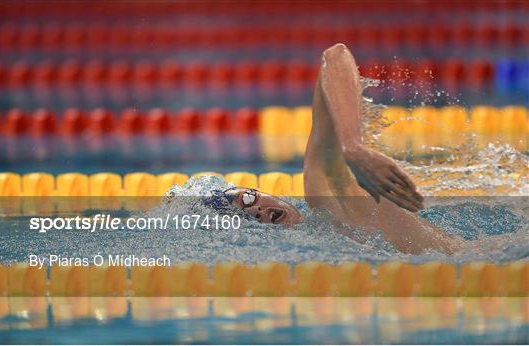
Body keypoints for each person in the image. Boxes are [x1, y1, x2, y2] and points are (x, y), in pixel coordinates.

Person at [197, 44, 461, 255]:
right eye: (245, 218)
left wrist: (353, 148)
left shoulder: (327, 199)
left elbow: (335, 56)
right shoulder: (313, 251)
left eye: (247, 200)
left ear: (268, 194)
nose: (255, 212)